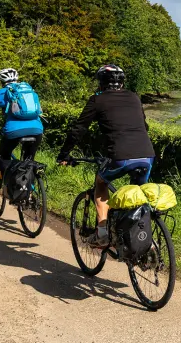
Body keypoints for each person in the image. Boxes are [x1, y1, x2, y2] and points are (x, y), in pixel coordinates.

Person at [56, 64, 155, 247]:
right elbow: (144, 126)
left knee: (101, 182)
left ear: (100, 83)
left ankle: (102, 233)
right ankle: (142, 238)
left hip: (120, 156)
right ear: (122, 82)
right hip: (147, 155)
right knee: (138, 197)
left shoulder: (97, 100)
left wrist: (64, 153)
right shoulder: (134, 97)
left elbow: (79, 129)